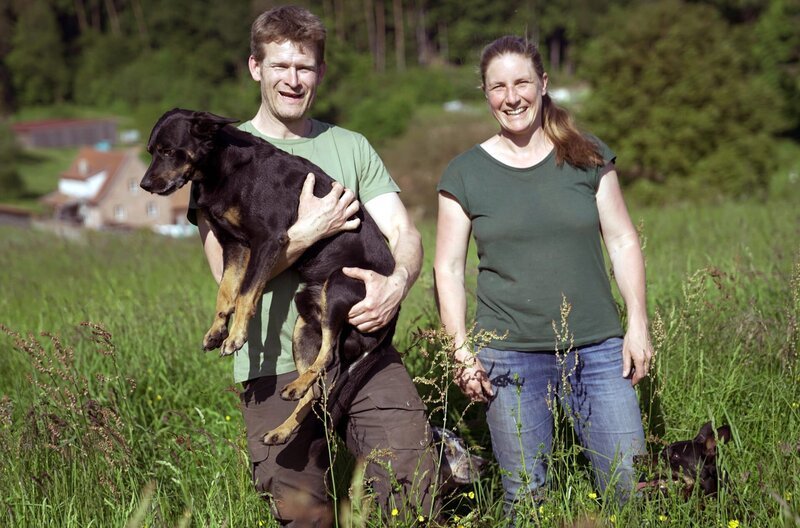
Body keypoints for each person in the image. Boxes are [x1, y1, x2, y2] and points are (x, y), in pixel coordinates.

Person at [188, 6, 437, 526]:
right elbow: (224, 273)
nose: (292, 80)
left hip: (363, 350)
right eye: (280, 66)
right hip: (270, 364)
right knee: (305, 516)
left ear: (320, 72)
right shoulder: (219, 153)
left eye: (304, 67)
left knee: (412, 485)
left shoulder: (351, 147)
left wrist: (398, 282)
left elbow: (404, 234)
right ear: (255, 67)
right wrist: (308, 232)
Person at [434, 35, 653, 510]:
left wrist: (637, 324)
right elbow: (447, 268)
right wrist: (460, 351)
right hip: (509, 358)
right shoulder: (464, 173)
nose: (511, 97)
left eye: (522, 83)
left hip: (599, 351)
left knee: (628, 490)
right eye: (498, 87)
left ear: (543, 84)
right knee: (527, 501)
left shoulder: (588, 155)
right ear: (486, 93)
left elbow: (622, 239)